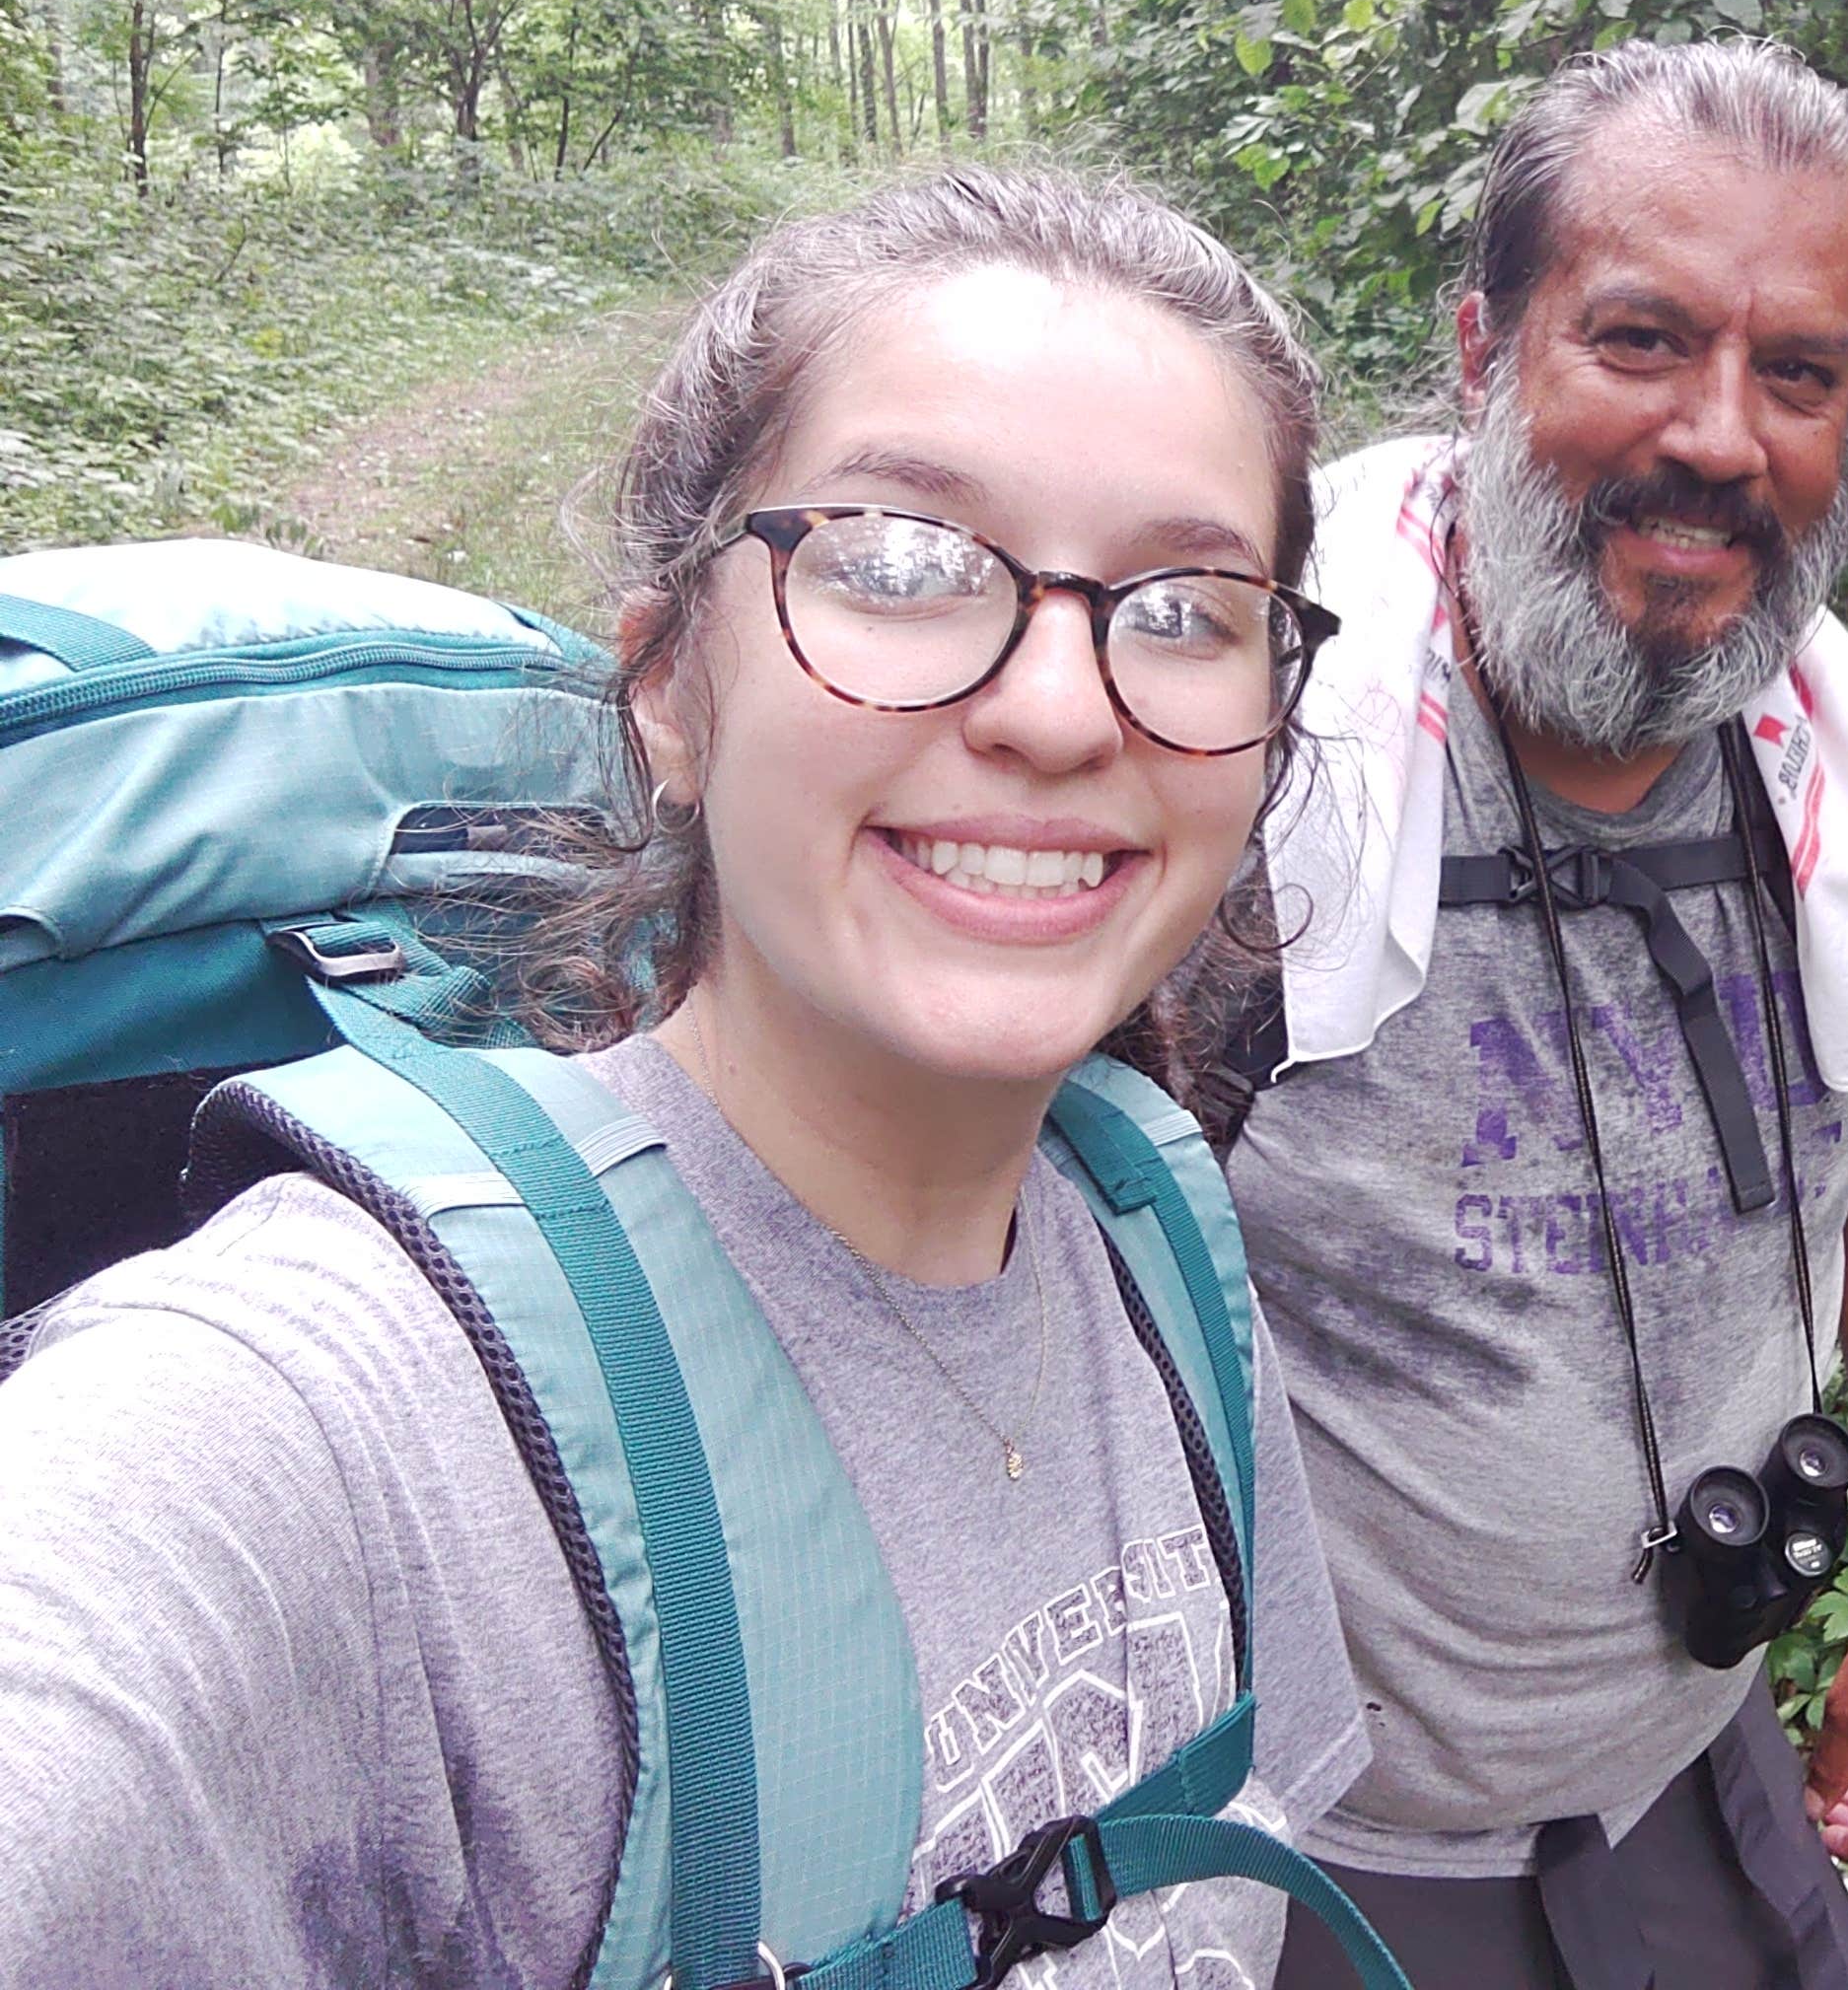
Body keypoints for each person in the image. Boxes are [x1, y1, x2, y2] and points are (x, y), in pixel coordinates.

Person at [0, 169, 1372, 1988]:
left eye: (1186, 606)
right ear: (665, 682)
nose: (1060, 707)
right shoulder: (335, 1417)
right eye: (898, 563)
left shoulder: (1161, 1242)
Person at [1240, 40, 1848, 1989]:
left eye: (1798, 373)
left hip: (1695, 1768)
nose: (1718, 438)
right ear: (1483, 352)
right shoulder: (1257, 742)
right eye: (1640, 340)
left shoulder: (1829, 758)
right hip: (1311, 1860)